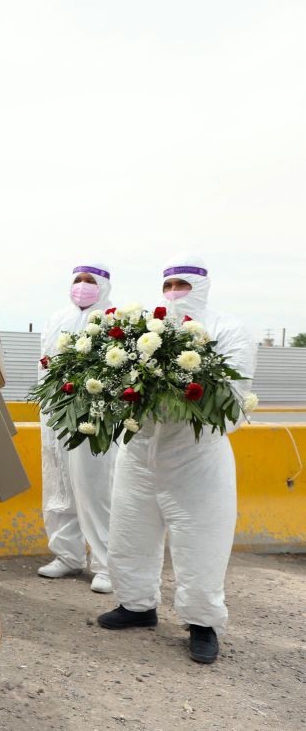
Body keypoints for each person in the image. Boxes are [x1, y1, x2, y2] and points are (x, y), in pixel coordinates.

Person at [99, 255, 256, 664]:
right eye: (168, 285)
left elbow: (234, 401)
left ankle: (203, 624)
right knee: (129, 531)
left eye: (183, 285)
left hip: (196, 455)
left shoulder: (228, 329)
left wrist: (178, 388)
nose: (174, 293)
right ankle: (136, 606)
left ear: (201, 286)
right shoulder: (145, 327)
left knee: (201, 540)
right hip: (139, 451)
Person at [37, 263, 117, 594]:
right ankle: (67, 556)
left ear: (104, 285)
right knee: (59, 486)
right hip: (56, 413)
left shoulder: (115, 319)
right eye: (78, 280)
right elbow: (43, 364)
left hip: (94, 415)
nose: (82, 286)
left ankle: (106, 565)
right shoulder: (56, 319)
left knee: (96, 489)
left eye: (90, 281)